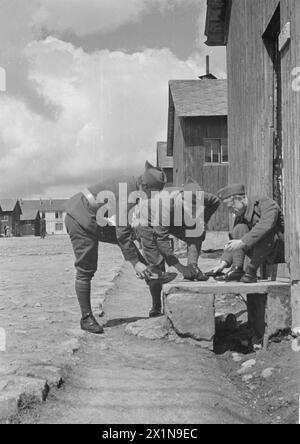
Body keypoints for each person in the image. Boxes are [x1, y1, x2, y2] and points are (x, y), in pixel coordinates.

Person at [65, 162, 194, 334]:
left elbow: (124, 232)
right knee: (86, 268)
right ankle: (86, 318)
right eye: (151, 193)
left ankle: (152, 275)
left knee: (128, 239)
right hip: (80, 217)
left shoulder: (132, 184)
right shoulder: (130, 192)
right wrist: (134, 262)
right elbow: (122, 231)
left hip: (95, 217)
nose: (151, 197)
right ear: (144, 186)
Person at [135, 179, 220, 315]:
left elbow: (216, 201)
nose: (193, 213)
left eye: (195, 210)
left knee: (197, 230)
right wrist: (181, 268)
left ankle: (193, 268)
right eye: (190, 210)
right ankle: (156, 306)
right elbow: (161, 240)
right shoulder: (166, 204)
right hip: (148, 222)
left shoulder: (201, 196)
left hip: (174, 219)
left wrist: (203, 219)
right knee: (156, 265)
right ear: (181, 199)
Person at [207, 184, 285, 283]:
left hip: (277, 251)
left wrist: (242, 242)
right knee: (239, 228)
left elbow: (266, 225)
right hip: (260, 254)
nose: (231, 212)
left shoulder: (266, 203)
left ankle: (251, 271)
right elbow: (235, 239)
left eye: (231, 207)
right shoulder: (240, 213)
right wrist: (223, 263)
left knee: (266, 232)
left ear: (239, 199)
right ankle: (237, 269)